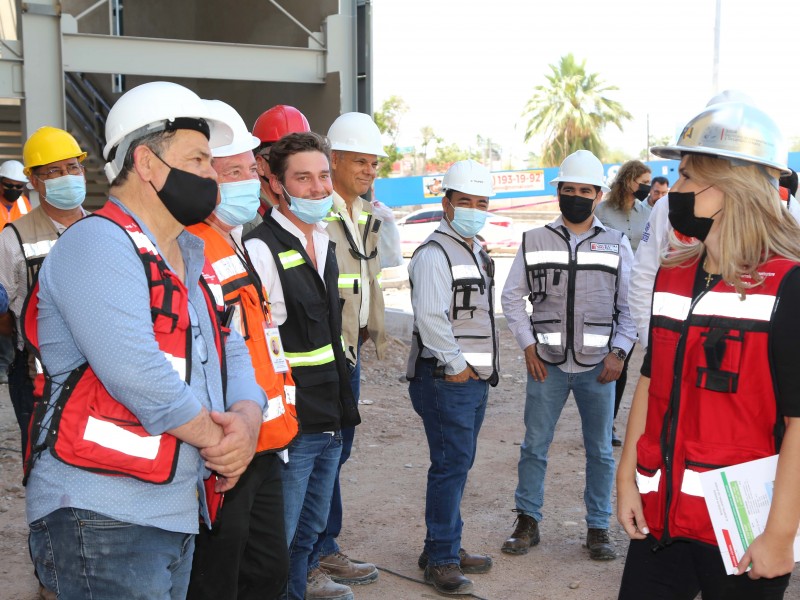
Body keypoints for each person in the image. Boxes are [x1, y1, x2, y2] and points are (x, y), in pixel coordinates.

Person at [24, 81, 266, 599]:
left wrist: (246, 421)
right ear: (147, 163)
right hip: (103, 514)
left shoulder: (190, 259)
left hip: (172, 510)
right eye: (199, 159)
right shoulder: (97, 244)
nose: (210, 175)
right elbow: (137, 371)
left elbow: (234, 351)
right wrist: (219, 439)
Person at [616, 100, 800, 599]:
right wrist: (627, 479)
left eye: (686, 178)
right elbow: (650, 383)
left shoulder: (789, 285)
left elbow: (798, 424)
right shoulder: (672, 275)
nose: (672, 191)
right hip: (662, 521)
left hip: (743, 533)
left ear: (729, 188)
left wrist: (781, 535)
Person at [186, 101, 298, 600]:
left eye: (251, 171)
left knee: (267, 570)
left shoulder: (229, 240)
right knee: (221, 574)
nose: (248, 182)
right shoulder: (193, 246)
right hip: (229, 445)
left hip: (265, 439)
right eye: (233, 172)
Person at [501, 149, 636, 562]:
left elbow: (630, 309)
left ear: (598, 195)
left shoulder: (617, 244)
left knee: (599, 450)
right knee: (534, 446)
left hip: (599, 368)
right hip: (548, 363)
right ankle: (527, 521)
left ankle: (598, 528)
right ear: (558, 191)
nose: (576, 196)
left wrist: (619, 353)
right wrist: (527, 344)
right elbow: (511, 297)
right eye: (569, 189)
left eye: (585, 190)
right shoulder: (535, 239)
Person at [245, 132, 361, 600]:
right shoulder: (260, 247)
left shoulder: (325, 242)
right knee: (281, 539)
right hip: (294, 423)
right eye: (303, 178)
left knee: (307, 537)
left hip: (330, 412)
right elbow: (263, 346)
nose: (318, 188)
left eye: (323, 176)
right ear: (276, 185)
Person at [313, 112, 402, 587]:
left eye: (373, 163)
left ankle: (321, 543)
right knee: (325, 450)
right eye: (359, 162)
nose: (368, 171)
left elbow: (370, 277)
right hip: (324, 351)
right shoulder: (317, 209)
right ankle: (319, 548)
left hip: (352, 348)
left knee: (339, 449)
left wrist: (369, 331)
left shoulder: (365, 214)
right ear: (334, 160)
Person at [406, 159, 499, 596]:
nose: (474, 210)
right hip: (447, 377)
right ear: (446, 204)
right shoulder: (434, 253)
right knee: (449, 466)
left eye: (482, 203)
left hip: (471, 378)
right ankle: (441, 559)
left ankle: (443, 545)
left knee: (458, 465)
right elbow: (430, 316)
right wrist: (456, 365)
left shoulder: (474, 248)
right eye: (466, 202)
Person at [0, 128, 88, 452]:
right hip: (39, 377)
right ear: (35, 182)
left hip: (97, 369)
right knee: (44, 463)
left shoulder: (102, 227)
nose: (67, 176)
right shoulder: (13, 239)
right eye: (53, 171)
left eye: (72, 167)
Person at [595, 160, 651, 447]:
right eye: (642, 182)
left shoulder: (648, 213)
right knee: (596, 358)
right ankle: (595, 421)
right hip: (603, 294)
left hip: (634, 296)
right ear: (628, 180)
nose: (647, 188)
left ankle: (607, 425)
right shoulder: (602, 212)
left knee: (622, 361)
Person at [243, 105, 311, 237]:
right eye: (284, 156)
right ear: (260, 165)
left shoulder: (306, 210)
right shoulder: (250, 220)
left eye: (302, 156)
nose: (296, 167)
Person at [0, 159, 30, 384]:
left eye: (18, 187)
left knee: (15, 311)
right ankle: (4, 363)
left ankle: (11, 361)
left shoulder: (24, 205)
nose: (14, 191)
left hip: (17, 266)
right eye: (8, 186)